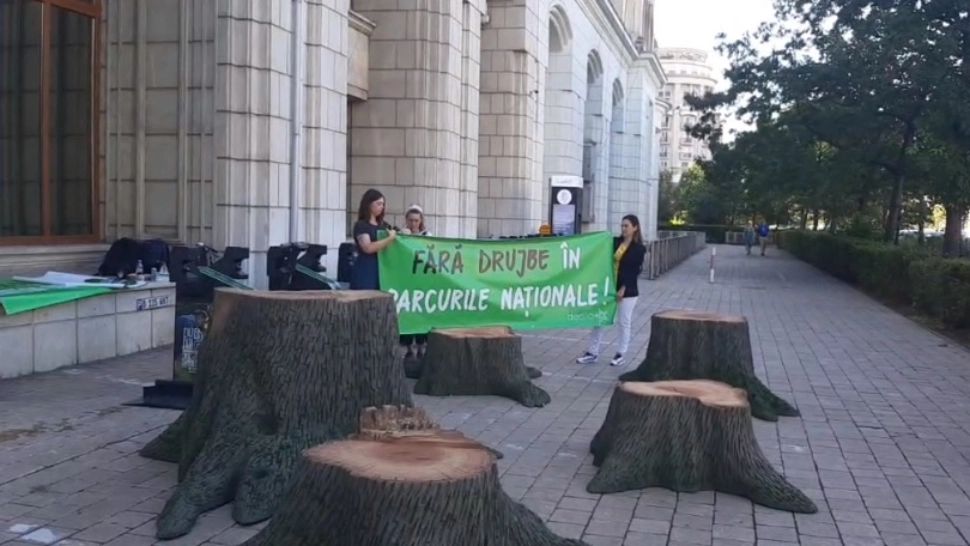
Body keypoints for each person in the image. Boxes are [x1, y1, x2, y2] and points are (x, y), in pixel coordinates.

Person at [576, 214, 647, 367]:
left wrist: (623, 288)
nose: (623, 229)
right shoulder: (615, 242)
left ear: (635, 227)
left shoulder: (639, 249)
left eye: (626, 226)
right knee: (599, 320)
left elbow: (634, 270)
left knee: (623, 322)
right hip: (608, 288)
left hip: (627, 291)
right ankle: (592, 352)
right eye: (622, 226)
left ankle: (621, 353)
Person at [399, 205, 431, 359]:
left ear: (421, 221)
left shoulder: (428, 235)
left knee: (420, 313)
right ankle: (407, 346)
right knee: (407, 312)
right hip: (405, 280)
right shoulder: (400, 235)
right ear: (406, 220)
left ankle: (421, 344)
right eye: (411, 220)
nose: (413, 224)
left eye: (416, 221)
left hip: (421, 280)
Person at [350, 189, 396, 290]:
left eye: (383, 204)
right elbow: (367, 247)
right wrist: (389, 239)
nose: (382, 207)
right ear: (369, 204)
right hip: (366, 269)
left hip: (382, 270)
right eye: (379, 204)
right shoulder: (361, 225)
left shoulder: (384, 226)